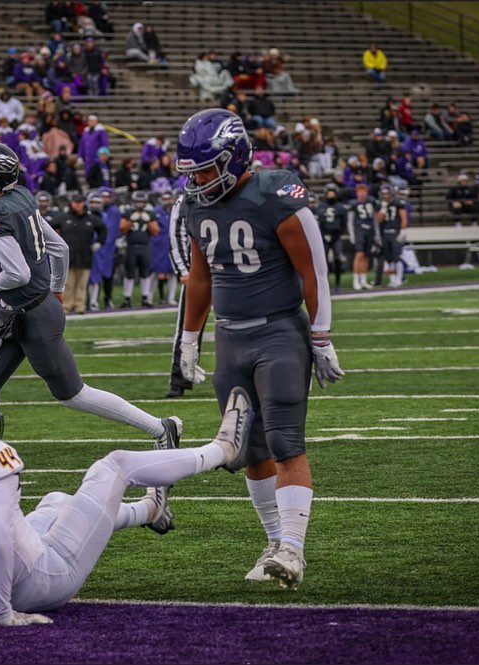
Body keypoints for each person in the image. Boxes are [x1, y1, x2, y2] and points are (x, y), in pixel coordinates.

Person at [0, 386, 253, 626]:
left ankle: (149, 511)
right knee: (115, 466)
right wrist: (2, 612)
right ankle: (222, 450)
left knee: (56, 500)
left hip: (7, 572)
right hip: (42, 580)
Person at [174, 108, 343, 590]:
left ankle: (293, 547)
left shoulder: (274, 193)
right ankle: (273, 542)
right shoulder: (196, 205)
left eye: (207, 168)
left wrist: (321, 335)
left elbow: (314, 270)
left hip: (278, 333)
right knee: (249, 450)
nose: (200, 180)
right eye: (193, 171)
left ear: (235, 157)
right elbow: (200, 277)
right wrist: (190, 337)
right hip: (230, 338)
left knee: (286, 440)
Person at [0, 142, 182, 461]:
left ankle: (160, 427)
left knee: (73, 394)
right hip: (22, 311)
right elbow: (59, 247)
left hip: (32, 316)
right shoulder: (20, 196)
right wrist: (57, 288)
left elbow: (17, 274)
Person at [166, 192, 206, 399]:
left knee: (242, 325)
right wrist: (183, 270)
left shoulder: (236, 194)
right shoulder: (188, 199)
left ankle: (246, 377)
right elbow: (176, 233)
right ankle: (179, 380)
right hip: (200, 273)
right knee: (187, 327)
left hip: (232, 270)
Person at [50, 191, 107, 314]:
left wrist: (99, 242)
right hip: (69, 257)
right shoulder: (64, 217)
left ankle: (80, 306)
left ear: (83, 203)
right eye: (76, 202)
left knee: (82, 284)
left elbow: (103, 228)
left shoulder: (90, 218)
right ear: (71, 203)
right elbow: (49, 227)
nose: (78, 205)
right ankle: (66, 306)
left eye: (80, 202)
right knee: (68, 284)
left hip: (86, 255)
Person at [119, 190, 158, 308]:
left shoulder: (150, 213)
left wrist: (148, 221)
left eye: (141, 201)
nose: (139, 204)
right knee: (129, 273)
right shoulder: (128, 212)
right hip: (131, 246)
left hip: (145, 246)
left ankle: (145, 297)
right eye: (137, 201)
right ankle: (127, 298)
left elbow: (156, 231)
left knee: (145, 272)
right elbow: (122, 228)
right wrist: (131, 220)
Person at [347, 182, 381, 290]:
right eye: (360, 191)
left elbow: (374, 220)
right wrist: (352, 234)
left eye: (364, 191)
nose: (362, 194)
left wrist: (377, 235)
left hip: (369, 231)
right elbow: (350, 221)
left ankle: (363, 280)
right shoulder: (353, 204)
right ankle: (356, 280)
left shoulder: (371, 202)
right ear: (357, 193)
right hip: (359, 231)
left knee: (366, 257)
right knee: (359, 255)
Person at [315, 182, 348, 292]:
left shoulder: (340, 207)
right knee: (324, 261)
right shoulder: (321, 207)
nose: (331, 195)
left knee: (337, 259)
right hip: (324, 236)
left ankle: (337, 284)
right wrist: (324, 234)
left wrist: (336, 235)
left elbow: (344, 223)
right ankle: (325, 283)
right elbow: (319, 223)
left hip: (336, 236)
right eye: (329, 193)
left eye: (332, 193)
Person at [376, 184, 408, 288]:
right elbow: (378, 220)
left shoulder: (398, 203)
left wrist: (403, 231)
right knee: (388, 258)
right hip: (385, 233)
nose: (385, 196)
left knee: (396, 257)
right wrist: (383, 208)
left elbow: (404, 218)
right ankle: (392, 279)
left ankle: (399, 279)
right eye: (384, 194)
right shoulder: (380, 205)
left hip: (395, 232)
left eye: (387, 194)